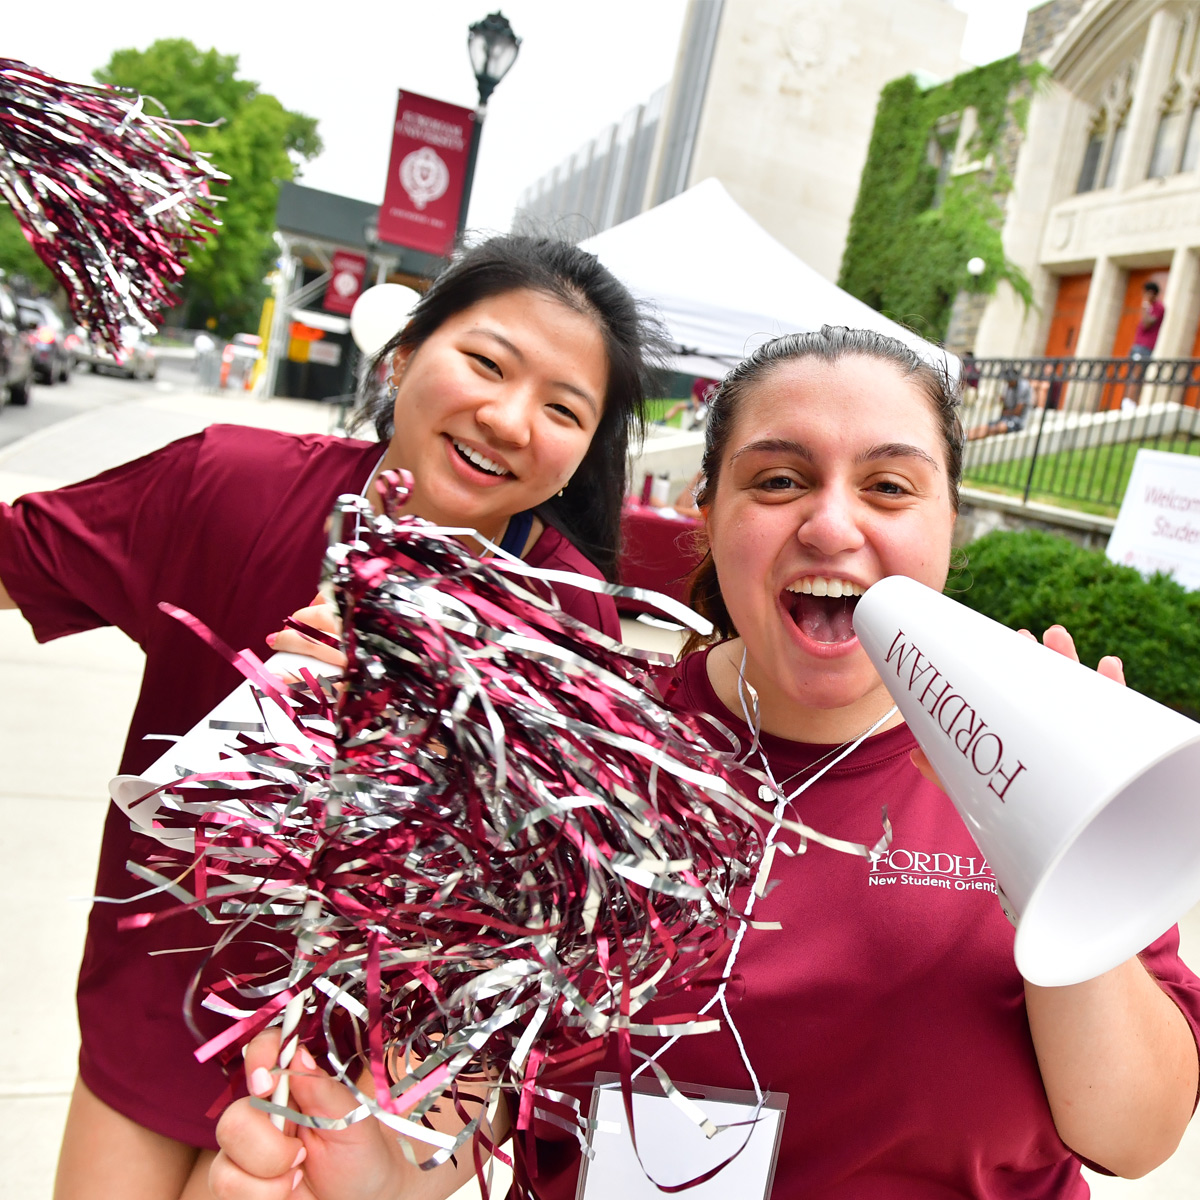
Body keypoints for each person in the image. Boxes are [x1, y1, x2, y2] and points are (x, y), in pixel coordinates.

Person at [210, 326, 1200, 1199]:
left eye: (890, 486)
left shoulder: (1054, 749)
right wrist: (375, 1174)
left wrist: (1056, 856)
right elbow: (465, 1097)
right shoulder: (580, 749)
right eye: (779, 479)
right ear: (708, 508)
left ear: (953, 521)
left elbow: (1133, 1135)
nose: (832, 524)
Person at [0, 233, 667, 1200]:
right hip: (161, 1007)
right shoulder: (230, 487)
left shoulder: (569, 621)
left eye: (564, 409)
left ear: (580, 457)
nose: (510, 419)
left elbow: (559, 907)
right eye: (486, 362)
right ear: (401, 359)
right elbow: (21, 558)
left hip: (364, 1083)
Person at [1124, 281, 1165, 407]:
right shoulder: (1150, 307)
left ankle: (1130, 403)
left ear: (1152, 293)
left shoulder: (1158, 308)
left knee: (1137, 375)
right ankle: (1128, 402)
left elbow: (1147, 323)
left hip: (1145, 348)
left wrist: (1145, 308)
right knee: (1132, 375)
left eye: (1146, 293)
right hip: (1138, 346)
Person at [967, 365, 1032, 440]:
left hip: (1017, 422)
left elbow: (1017, 412)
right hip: (1005, 419)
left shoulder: (1023, 387)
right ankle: (964, 435)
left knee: (993, 429)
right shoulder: (1009, 387)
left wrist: (1005, 412)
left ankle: (967, 438)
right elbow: (1005, 406)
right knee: (985, 426)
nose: (1007, 382)